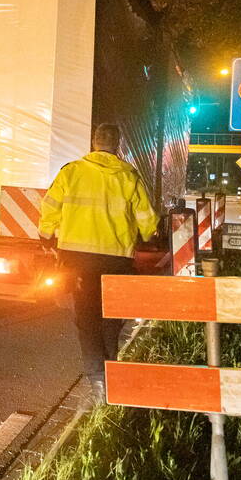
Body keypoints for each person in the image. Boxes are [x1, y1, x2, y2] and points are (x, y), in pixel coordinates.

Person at [38, 123, 158, 401]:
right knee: (111, 316)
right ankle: (111, 367)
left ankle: (98, 380)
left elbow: (51, 207)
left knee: (87, 318)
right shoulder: (129, 176)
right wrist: (149, 234)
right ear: (117, 145)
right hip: (116, 258)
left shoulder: (72, 172)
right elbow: (147, 220)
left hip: (77, 259)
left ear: (94, 142)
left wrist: (45, 235)